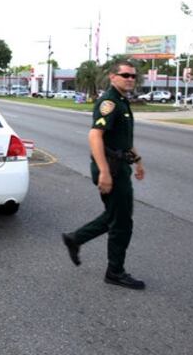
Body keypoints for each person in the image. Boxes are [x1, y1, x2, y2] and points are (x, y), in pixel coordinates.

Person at [62, 60, 147, 290]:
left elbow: (122, 141)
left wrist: (137, 161)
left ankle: (75, 238)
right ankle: (115, 272)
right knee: (121, 223)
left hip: (120, 166)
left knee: (115, 216)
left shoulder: (121, 101)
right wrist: (105, 172)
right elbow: (94, 136)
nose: (130, 79)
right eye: (125, 75)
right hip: (111, 169)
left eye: (133, 76)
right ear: (112, 77)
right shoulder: (109, 102)